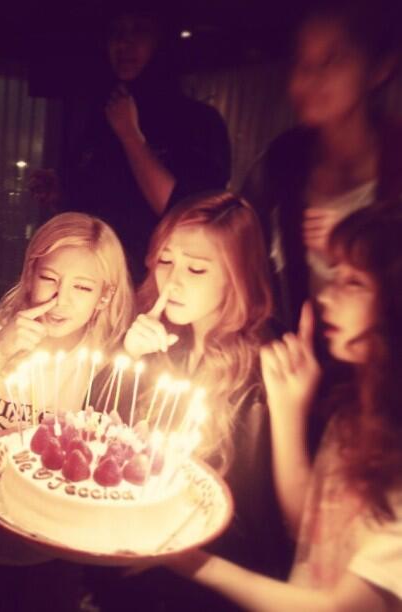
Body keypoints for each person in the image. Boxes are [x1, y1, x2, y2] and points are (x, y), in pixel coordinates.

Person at [161, 206, 402, 610]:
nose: (326, 295)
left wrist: (186, 560)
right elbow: (309, 524)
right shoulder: (356, 412)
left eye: (354, 283)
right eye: (335, 276)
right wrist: (289, 410)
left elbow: (341, 607)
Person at [89, 192, 290, 611]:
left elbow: (258, 523)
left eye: (196, 268)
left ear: (237, 276)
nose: (173, 281)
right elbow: (99, 439)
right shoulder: (164, 343)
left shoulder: (262, 378)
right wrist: (128, 357)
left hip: (202, 589)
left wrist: (168, 547)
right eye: (166, 261)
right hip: (130, 564)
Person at [0, 212, 135, 612]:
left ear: (104, 297)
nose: (61, 300)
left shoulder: (106, 366)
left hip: (50, 554)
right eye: (50, 279)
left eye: (82, 287)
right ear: (29, 274)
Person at [243, 0, 402, 330]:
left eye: (332, 60)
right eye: (301, 62)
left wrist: (352, 248)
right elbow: (240, 239)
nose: (308, 79)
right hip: (301, 351)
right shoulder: (281, 161)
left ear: (379, 69)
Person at [55, 10, 230, 282]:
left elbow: (189, 216)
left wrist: (130, 136)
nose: (124, 42)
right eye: (116, 31)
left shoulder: (197, 121)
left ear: (161, 40)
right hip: (93, 278)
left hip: (156, 282)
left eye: (139, 30)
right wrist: (63, 189)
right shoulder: (99, 116)